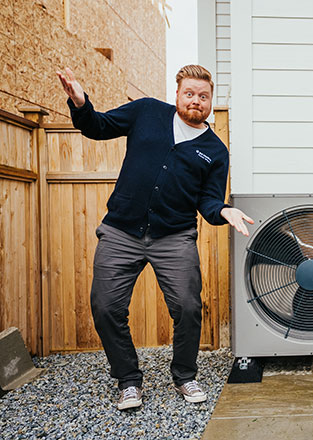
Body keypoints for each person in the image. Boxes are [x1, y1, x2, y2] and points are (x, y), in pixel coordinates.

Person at [56, 65, 253, 411]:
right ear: (176, 93)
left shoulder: (215, 151)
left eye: (203, 96)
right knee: (105, 307)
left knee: (189, 307)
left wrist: (224, 211)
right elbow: (97, 126)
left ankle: (185, 375)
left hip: (174, 237)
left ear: (210, 102)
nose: (196, 101)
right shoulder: (146, 112)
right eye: (189, 94)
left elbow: (207, 202)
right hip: (121, 231)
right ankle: (128, 380)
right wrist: (80, 101)